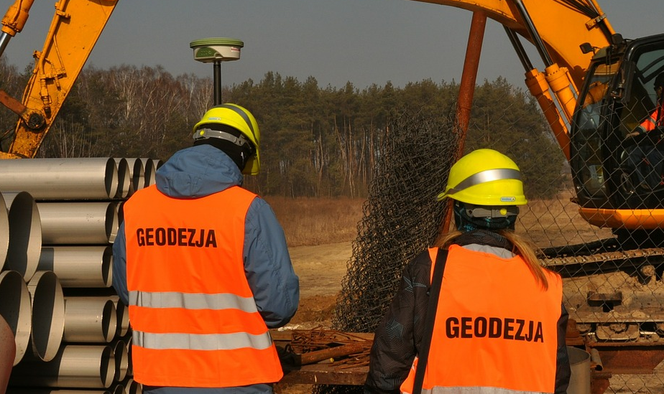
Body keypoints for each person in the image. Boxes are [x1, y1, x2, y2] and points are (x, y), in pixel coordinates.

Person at [112, 103, 300, 394]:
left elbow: (128, 290)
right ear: (243, 152)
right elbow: (279, 306)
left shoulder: (137, 208)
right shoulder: (247, 210)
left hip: (161, 379)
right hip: (238, 379)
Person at [364, 149, 570, 394]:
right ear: (513, 211)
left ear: (460, 209)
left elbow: (389, 360)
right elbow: (557, 377)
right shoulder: (546, 283)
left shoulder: (430, 269)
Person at [624, 72, 664, 190]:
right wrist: (638, 131)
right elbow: (653, 120)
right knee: (635, 150)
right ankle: (639, 184)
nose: (656, 92)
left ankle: (655, 188)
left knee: (653, 155)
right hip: (660, 142)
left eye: (655, 89)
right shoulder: (661, 104)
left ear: (660, 88)